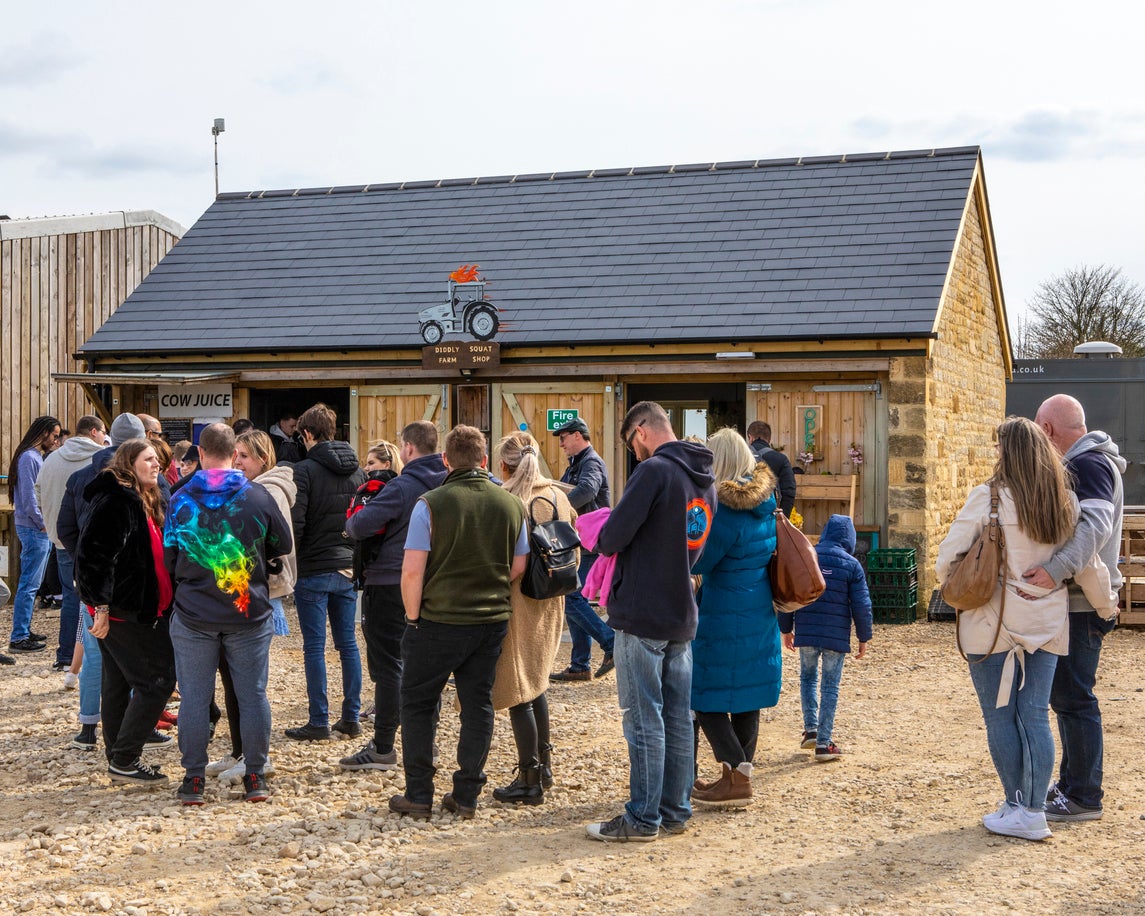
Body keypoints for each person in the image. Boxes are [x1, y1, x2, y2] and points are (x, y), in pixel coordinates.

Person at [936, 416, 1116, 842]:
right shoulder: (1066, 502)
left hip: (992, 622)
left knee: (1000, 717)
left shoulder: (988, 499)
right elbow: (1088, 563)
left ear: (1008, 452)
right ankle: (1033, 811)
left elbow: (948, 559)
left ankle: (1016, 804)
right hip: (1046, 622)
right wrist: (1107, 606)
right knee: (1034, 714)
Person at [585, 401, 716, 842]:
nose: (633, 452)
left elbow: (611, 537)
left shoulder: (655, 471)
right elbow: (695, 544)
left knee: (644, 719)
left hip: (642, 611)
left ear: (641, 431)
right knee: (678, 717)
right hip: (681, 608)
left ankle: (642, 818)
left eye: (630, 443)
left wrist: (605, 535)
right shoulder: (704, 477)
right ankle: (674, 810)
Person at [389, 425, 528, 819]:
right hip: (489, 621)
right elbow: (518, 565)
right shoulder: (511, 504)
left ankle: (418, 793)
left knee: (417, 704)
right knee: (478, 704)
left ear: (446, 460)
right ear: (484, 460)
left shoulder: (429, 503)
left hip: (436, 621)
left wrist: (412, 618)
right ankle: (466, 794)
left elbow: (412, 572)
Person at [164, 423, 293, 805]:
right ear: (235, 454)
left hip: (194, 611)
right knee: (253, 694)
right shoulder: (257, 494)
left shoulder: (180, 498)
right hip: (247, 611)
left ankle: (193, 780)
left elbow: (170, 555)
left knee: (195, 697)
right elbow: (282, 543)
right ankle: (255, 775)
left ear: (201, 454)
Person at [1022, 394, 1126, 822]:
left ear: (1046, 430)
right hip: (1079, 602)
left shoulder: (1089, 465)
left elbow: (1095, 527)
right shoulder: (1092, 461)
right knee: (1069, 698)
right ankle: (1071, 785)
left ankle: (1084, 797)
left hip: (1081, 605)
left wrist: (1056, 568)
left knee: (1074, 699)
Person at [340, 422, 446, 772]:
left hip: (390, 582)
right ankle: (425, 746)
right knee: (429, 667)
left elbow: (358, 526)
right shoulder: (450, 482)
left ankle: (383, 745)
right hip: (436, 582)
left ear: (408, 448)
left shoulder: (402, 487)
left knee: (389, 667)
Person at [74, 438, 176, 787]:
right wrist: (99, 606)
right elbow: (92, 557)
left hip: (134, 607)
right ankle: (126, 757)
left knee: (117, 683)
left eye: (157, 460)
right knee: (157, 681)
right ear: (128, 463)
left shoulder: (139, 498)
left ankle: (119, 757)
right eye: (148, 459)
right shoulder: (118, 500)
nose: (156, 465)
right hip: (124, 610)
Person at [689, 428, 779, 807]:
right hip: (758, 607)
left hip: (723, 609)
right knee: (747, 696)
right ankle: (736, 777)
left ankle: (737, 774)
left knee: (705, 696)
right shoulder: (765, 501)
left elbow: (703, 560)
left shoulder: (724, 509)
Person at [204, 429, 298, 783]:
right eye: (236, 455)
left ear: (263, 458)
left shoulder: (267, 491)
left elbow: (278, 549)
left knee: (249, 684)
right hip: (244, 594)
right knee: (233, 679)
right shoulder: (251, 489)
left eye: (244, 456)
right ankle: (241, 751)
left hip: (256, 596)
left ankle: (257, 758)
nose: (237, 462)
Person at [491, 432, 576, 805]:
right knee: (538, 680)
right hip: (552, 598)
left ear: (504, 465)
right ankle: (545, 765)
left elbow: (509, 563)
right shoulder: (559, 494)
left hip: (519, 599)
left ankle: (529, 779)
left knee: (516, 686)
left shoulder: (510, 500)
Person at [57, 413, 150, 751]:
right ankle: (129, 733)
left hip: (90, 580)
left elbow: (64, 526)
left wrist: (83, 556)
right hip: (125, 584)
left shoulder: (80, 476)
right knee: (128, 659)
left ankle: (87, 728)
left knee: (96, 653)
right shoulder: (135, 478)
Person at [285, 404, 367, 741]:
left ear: (307, 434)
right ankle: (351, 716)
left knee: (314, 647)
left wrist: (292, 562)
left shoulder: (303, 471)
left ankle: (318, 720)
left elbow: (298, 523)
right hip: (347, 564)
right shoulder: (359, 472)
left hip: (313, 567)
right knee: (348, 644)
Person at [778, 514, 872, 763]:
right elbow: (861, 605)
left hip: (807, 631)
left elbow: (790, 590)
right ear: (849, 538)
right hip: (836, 635)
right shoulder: (852, 565)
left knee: (807, 678)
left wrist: (786, 628)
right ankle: (824, 743)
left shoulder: (808, 555)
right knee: (830, 686)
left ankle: (811, 729)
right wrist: (864, 637)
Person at [35, 415, 108, 671]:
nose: (104, 437)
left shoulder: (52, 458)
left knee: (69, 596)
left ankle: (66, 657)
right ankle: (94, 659)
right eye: (102, 432)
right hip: (95, 541)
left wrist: (49, 520)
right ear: (93, 432)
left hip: (61, 537)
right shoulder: (101, 458)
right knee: (96, 599)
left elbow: (38, 492)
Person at [548, 418, 614, 683]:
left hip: (591, 544)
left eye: (563, 438)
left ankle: (611, 643)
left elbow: (587, 490)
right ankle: (579, 665)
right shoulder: (577, 464)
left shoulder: (591, 463)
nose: (561, 444)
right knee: (574, 598)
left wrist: (558, 508)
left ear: (577, 436)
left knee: (570, 597)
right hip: (582, 542)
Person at [7, 415, 61, 653]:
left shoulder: (31, 456)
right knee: (29, 584)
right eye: (55, 435)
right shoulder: (30, 457)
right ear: (44, 433)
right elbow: (30, 499)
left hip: (33, 526)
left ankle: (24, 629)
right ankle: (19, 636)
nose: (57, 440)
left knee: (32, 582)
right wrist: (43, 523)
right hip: (34, 527)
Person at [746, 421, 796, 515]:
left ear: (750, 437)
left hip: (743, 517)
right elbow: (789, 492)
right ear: (769, 439)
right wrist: (782, 518)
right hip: (770, 517)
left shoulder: (739, 458)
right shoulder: (781, 459)